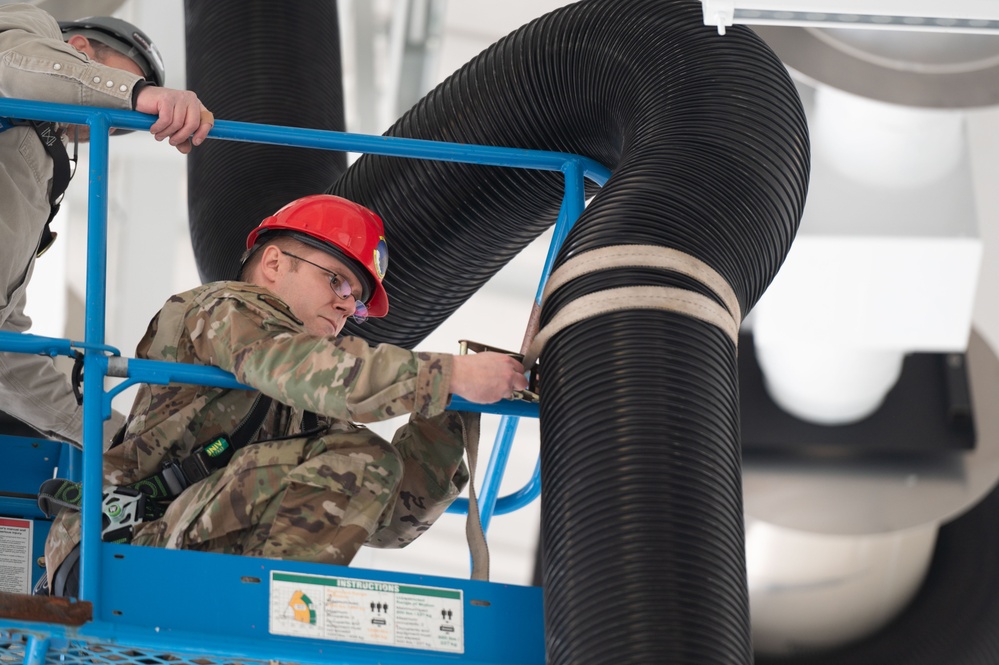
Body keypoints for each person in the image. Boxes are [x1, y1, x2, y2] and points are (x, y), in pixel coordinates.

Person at [42, 193, 528, 596]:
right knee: (360, 458)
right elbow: (299, 368)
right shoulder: (220, 309)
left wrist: (447, 416)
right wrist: (448, 376)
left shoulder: (306, 406)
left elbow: (390, 521)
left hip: (179, 552)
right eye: (336, 280)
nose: (345, 304)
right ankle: (277, 621)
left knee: (367, 463)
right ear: (273, 263)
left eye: (356, 301)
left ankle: (271, 620)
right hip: (114, 546)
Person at [0, 4, 213, 449]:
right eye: (118, 77)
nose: (112, 127)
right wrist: (135, 95)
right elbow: (15, 65)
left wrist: (124, 444)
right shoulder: (31, 26)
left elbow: (7, 356)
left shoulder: (36, 172)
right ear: (79, 49)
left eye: (121, 129)